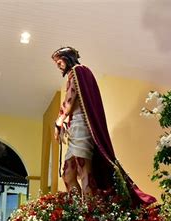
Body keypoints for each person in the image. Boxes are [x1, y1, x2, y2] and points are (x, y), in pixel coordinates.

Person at [51, 47, 156, 205]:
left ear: (68, 58)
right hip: (75, 126)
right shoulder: (79, 73)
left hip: (82, 127)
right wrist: (66, 120)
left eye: (59, 62)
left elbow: (71, 97)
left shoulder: (77, 71)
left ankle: (89, 212)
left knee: (83, 170)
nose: (58, 66)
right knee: (68, 175)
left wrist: (60, 119)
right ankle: (78, 211)